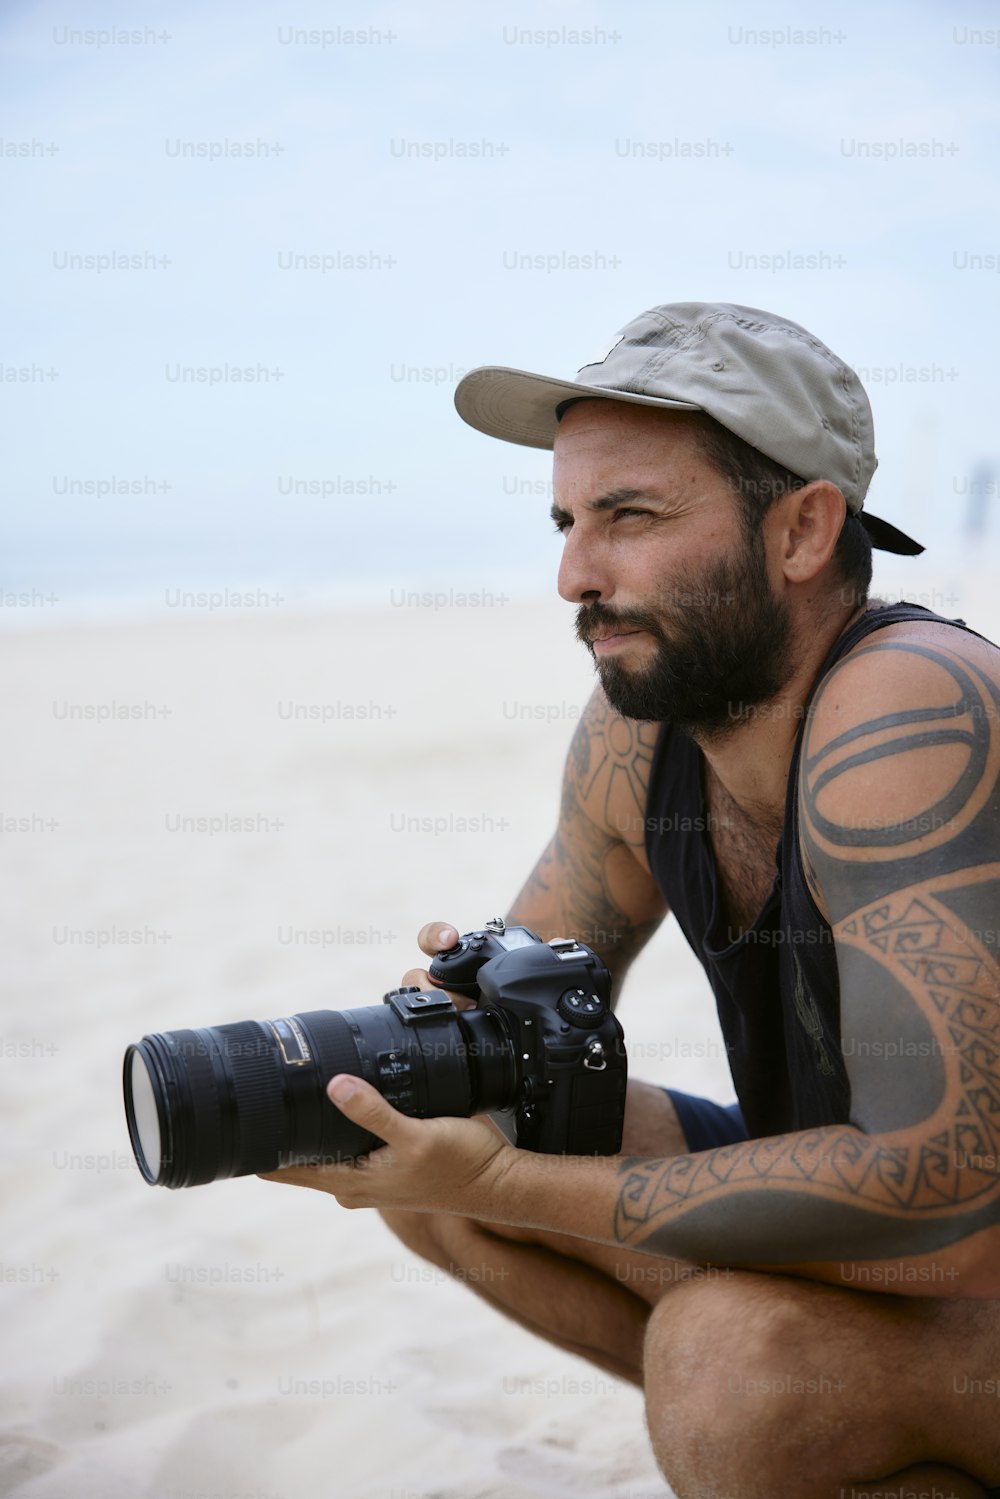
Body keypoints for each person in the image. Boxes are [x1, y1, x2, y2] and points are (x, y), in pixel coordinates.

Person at [264, 304, 1000, 1499]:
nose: (573, 574)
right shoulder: (638, 732)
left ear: (804, 529)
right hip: (893, 1238)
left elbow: (947, 1210)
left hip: (962, 1246)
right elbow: (515, 1047)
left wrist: (511, 1182)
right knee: (421, 1138)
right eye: (565, 520)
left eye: (631, 517)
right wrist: (444, 1026)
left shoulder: (911, 709)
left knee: (724, 1360)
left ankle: (808, 1409)